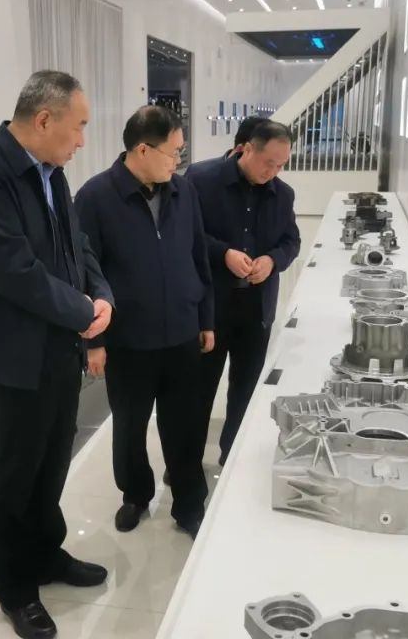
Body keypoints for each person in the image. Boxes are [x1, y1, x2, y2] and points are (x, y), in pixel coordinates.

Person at [0, 70, 115, 639]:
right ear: (44, 120)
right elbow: (12, 271)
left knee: (50, 465)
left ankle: (46, 554)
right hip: (12, 355)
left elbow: (77, 247)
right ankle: (15, 587)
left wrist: (100, 295)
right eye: (79, 127)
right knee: (12, 477)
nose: (82, 140)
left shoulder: (53, 174)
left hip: (58, 346)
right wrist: (81, 311)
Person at [74, 106, 214, 539]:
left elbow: (198, 255)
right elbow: (85, 273)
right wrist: (94, 342)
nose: (179, 161)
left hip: (181, 334)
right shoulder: (96, 197)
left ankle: (189, 504)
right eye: (173, 152)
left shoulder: (183, 191)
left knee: (184, 426)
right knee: (130, 427)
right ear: (142, 150)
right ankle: (135, 494)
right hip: (128, 340)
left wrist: (205, 317)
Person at [187, 119, 301, 467]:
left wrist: (272, 260)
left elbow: (291, 241)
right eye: (268, 163)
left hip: (255, 310)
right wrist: (223, 254)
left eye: (281, 165)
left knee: (244, 392)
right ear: (246, 149)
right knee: (197, 392)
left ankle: (231, 458)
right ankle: (184, 465)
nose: (273, 172)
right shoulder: (201, 180)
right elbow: (186, 236)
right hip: (210, 309)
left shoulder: (283, 194)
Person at [185, 114, 269, 177]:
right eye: (265, 161)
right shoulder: (198, 174)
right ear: (241, 149)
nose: (270, 172)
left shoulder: (267, 183)